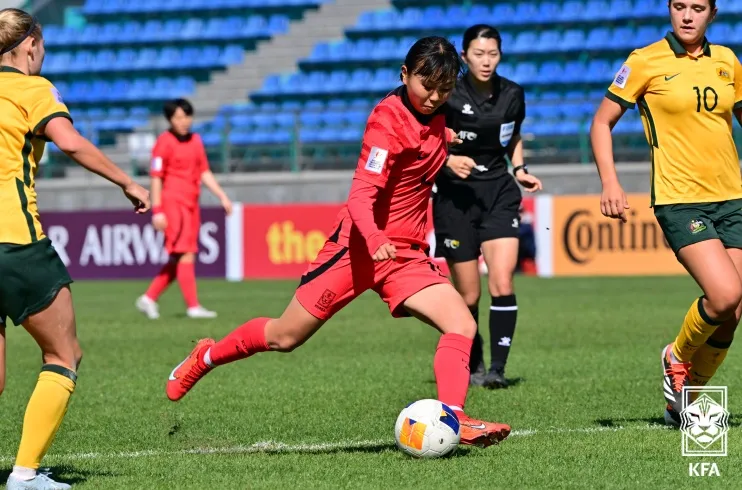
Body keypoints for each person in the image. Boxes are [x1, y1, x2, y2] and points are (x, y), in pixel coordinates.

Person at [165, 36, 511, 448]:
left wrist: (446, 150)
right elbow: (360, 197)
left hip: (404, 256)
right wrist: (377, 237)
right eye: (426, 85)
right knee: (284, 337)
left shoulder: (436, 113)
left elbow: (423, 150)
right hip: (359, 248)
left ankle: (455, 419)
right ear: (404, 74)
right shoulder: (386, 123)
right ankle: (205, 356)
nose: (434, 97)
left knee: (462, 323)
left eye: (444, 88)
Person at [0, 8, 150, 490]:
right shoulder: (33, 90)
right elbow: (71, 143)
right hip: (14, 241)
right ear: (31, 44)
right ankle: (24, 476)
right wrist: (128, 182)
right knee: (63, 353)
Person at [590, 0, 741, 426]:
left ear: (712, 13)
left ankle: (686, 401)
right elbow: (601, 123)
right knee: (725, 294)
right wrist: (610, 182)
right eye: (679, 6)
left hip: (733, 197)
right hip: (680, 199)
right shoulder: (645, 61)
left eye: (697, 7)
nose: (687, 15)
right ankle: (675, 356)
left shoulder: (729, 61)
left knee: (733, 312)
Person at [433, 24, 543, 389]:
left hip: (499, 194)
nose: (486, 61)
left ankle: (497, 369)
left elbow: (514, 137)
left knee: (501, 281)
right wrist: (447, 160)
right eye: (478, 54)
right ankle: (473, 359)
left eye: (492, 54)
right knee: (469, 294)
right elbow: (424, 141)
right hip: (455, 201)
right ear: (464, 57)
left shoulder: (512, 93)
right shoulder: (446, 95)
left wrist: (521, 169)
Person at [135, 98, 232, 320]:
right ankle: (193, 306)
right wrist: (157, 210)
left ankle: (149, 298)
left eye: (187, 116)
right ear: (170, 119)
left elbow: (204, 171)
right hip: (172, 203)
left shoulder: (196, 140)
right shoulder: (164, 143)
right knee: (185, 253)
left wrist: (222, 196)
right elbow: (156, 177)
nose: (184, 121)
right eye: (178, 117)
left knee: (180, 255)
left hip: (191, 204)